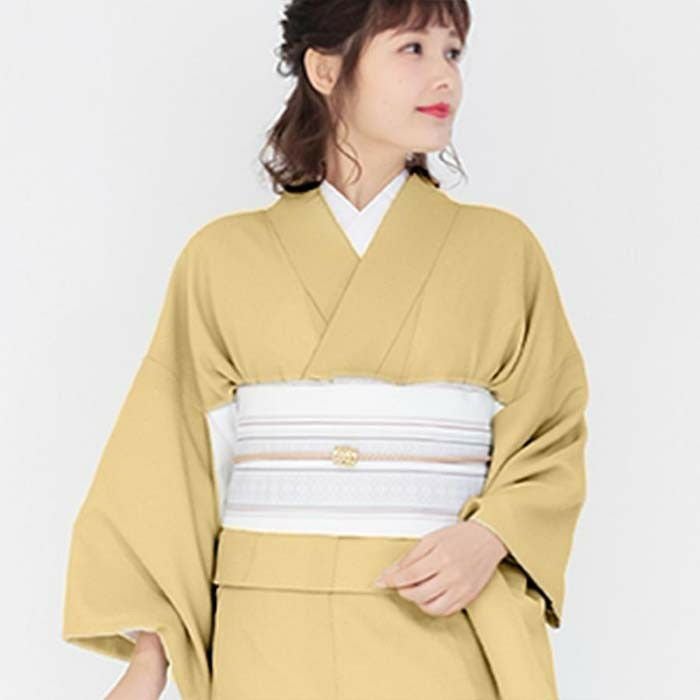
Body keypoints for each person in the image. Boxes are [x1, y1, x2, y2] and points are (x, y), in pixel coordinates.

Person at [62, 1, 589, 699]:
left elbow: (552, 435)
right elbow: (167, 463)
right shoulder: (221, 258)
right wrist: (151, 653)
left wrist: (491, 537)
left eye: (453, 52)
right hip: (269, 628)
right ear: (326, 68)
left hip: (445, 613)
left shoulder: (502, 253)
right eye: (413, 49)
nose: (445, 77)